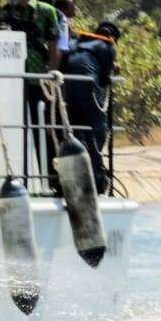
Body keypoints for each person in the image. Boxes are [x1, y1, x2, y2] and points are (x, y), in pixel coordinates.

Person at [4, 0, 64, 185]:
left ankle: (51, 177)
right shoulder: (8, 11)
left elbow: (55, 45)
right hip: (13, 81)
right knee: (17, 129)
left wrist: (50, 73)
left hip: (38, 79)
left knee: (45, 130)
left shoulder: (46, 12)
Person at [63, 21, 121, 194]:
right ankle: (96, 178)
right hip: (88, 89)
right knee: (97, 132)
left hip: (67, 90)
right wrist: (113, 69)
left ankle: (74, 174)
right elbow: (104, 79)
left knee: (74, 130)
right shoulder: (108, 46)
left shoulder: (75, 42)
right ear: (113, 38)